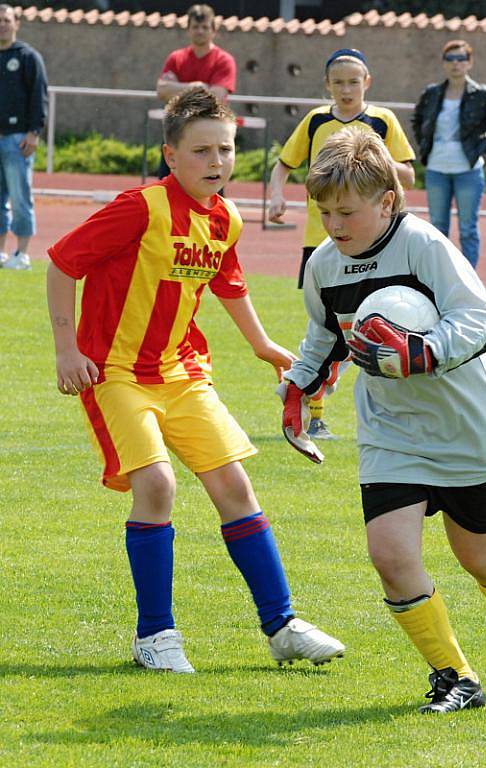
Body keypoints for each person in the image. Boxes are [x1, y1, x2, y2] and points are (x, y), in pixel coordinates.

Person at [46, 87, 344, 674]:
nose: (216, 162)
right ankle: (154, 636)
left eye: (226, 150)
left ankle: (281, 625)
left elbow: (229, 285)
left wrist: (263, 346)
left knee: (236, 489)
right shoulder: (140, 206)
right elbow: (61, 263)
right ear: (170, 156)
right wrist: (65, 350)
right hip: (117, 375)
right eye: (202, 150)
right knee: (157, 486)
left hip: (184, 374)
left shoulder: (226, 218)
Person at [280, 126, 486, 713]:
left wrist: (419, 353)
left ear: (387, 202)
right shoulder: (323, 266)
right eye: (323, 212)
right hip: (390, 430)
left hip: (463, 426)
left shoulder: (424, 246)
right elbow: (325, 338)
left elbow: (479, 319)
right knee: (390, 553)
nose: (333, 225)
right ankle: (455, 676)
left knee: (480, 555)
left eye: (346, 212)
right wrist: (298, 388)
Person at [268, 47, 416, 440]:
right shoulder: (316, 120)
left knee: (377, 321)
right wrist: (276, 195)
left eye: (353, 81)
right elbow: (284, 163)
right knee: (324, 328)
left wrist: (376, 156)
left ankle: (394, 408)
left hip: (373, 241)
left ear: (367, 82)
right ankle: (315, 413)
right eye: (338, 82)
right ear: (327, 86)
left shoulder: (382, 121)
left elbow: (409, 177)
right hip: (321, 241)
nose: (346, 89)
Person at [411, 39, 486, 269]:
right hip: (437, 169)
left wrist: (483, 147)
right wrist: (426, 145)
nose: (455, 64)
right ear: (443, 63)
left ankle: (469, 280)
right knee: (437, 227)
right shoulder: (433, 93)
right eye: (450, 59)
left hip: (468, 170)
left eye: (460, 59)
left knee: (468, 228)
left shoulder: (480, 94)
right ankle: (439, 277)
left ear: (469, 62)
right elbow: (417, 121)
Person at [155, 3, 236, 179]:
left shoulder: (224, 60)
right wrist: (196, 86)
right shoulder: (176, 58)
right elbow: (161, 90)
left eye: (205, 27)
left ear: (214, 30)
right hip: (178, 131)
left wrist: (177, 88)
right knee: (167, 183)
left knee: (210, 187)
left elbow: (217, 96)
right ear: (188, 30)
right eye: (195, 27)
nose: (200, 31)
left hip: (210, 135)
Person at [0, 3, 48, 270]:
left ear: (16, 23)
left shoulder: (28, 57)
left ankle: (22, 253)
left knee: (20, 197)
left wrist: (34, 132)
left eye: (6, 20)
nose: (2, 24)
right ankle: (1, 252)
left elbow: (39, 96)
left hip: (18, 139)